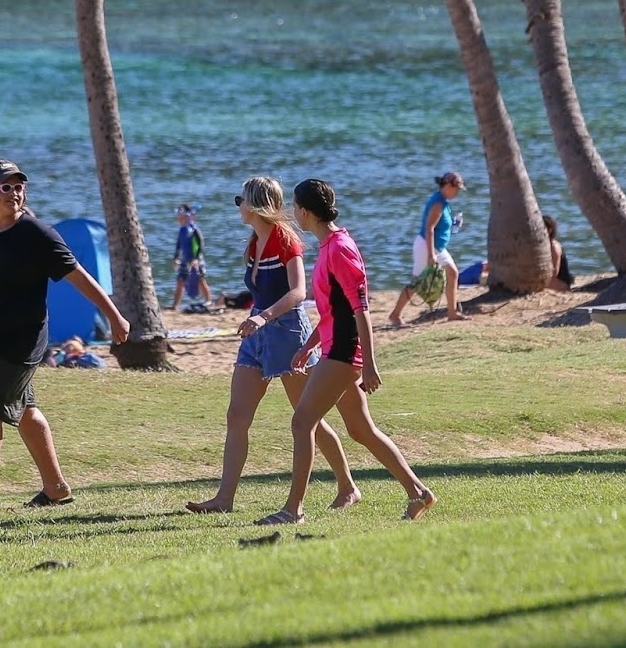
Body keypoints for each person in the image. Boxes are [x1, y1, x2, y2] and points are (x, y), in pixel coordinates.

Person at [0, 160, 130, 514]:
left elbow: (78, 276)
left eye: (19, 186)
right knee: (26, 411)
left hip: (20, 342)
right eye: (6, 187)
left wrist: (115, 316)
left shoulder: (37, 234)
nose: (14, 192)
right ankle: (56, 488)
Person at [256, 179, 434, 526]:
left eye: (294, 206)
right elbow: (332, 311)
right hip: (334, 347)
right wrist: (309, 344)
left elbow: (360, 309)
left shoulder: (340, 248)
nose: (293, 212)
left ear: (305, 211)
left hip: (343, 352)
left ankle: (293, 510)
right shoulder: (327, 247)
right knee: (360, 429)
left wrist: (369, 364)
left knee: (302, 421)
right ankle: (419, 492)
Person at [186, 177, 358, 515]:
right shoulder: (254, 242)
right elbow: (260, 289)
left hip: (287, 332)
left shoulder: (285, 241)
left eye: (241, 199)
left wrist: (263, 317)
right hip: (256, 334)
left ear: (256, 205)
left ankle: (347, 486)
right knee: (237, 416)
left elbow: (298, 292)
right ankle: (224, 499)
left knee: (308, 419)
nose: (238, 205)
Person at [390, 171, 467, 326]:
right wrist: (431, 255)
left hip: (438, 246)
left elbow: (440, 226)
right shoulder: (438, 202)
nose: (457, 192)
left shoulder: (444, 202)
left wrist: (454, 224)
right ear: (447, 185)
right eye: (456, 188)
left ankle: (452, 313)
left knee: (452, 273)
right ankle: (395, 315)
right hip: (427, 246)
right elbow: (429, 229)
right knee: (417, 283)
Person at [170, 204, 210, 312]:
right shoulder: (182, 230)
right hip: (184, 260)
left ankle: (209, 301)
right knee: (180, 281)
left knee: (200, 280)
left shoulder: (193, 229)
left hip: (196, 260)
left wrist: (196, 258)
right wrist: (176, 257)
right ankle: (175, 305)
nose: (179, 218)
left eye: (181, 216)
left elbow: (200, 243)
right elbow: (179, 244)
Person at [545, 215, 575, 292]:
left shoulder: (554, 246)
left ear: (549, 230)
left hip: (560, 282)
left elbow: (555, 272)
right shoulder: (543, 245)